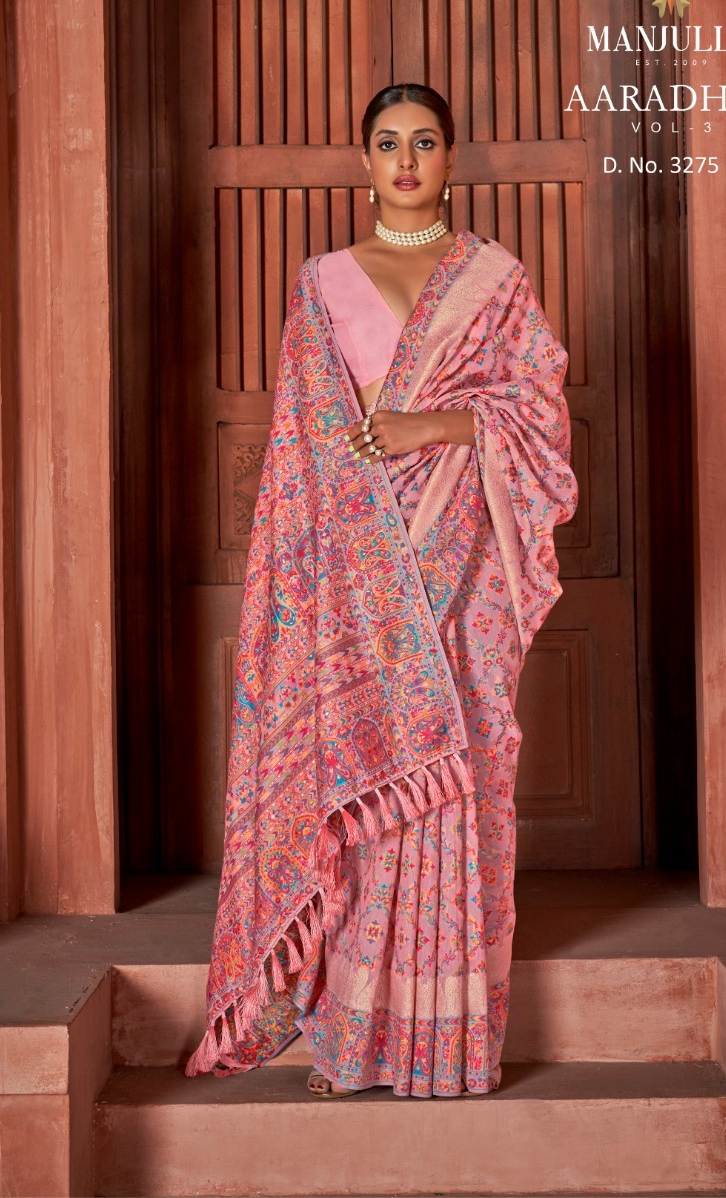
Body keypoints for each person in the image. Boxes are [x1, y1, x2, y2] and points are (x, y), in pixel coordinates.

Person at [185, 82, 578, 1099]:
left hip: (465, 562)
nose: (405, 159)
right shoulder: (321, 281)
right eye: (387, 142)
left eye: (424, 141)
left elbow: (537, 416)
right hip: (358, 572)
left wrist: (432, 427)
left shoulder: (495, 280)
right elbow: (302, 447)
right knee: (366, 783)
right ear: (364, 162)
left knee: (455, 781)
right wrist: (320, 577)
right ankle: (349, 1042)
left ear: (452, 157)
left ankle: (446, 1044)